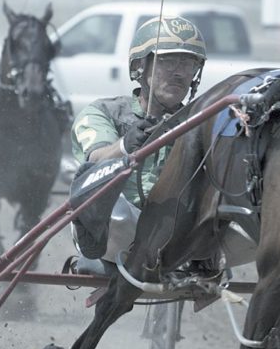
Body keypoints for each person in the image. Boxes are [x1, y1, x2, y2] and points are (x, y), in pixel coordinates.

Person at [69, 16, 207, 274]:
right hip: (116, 229)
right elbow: (97, 158)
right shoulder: (102, 111)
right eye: (167, 61)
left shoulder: (201, 121)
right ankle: (94, 245)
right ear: (139, 67)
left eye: (188, 63)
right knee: (103, 190)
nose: (179, 72)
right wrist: (124, 146)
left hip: (176, 230)